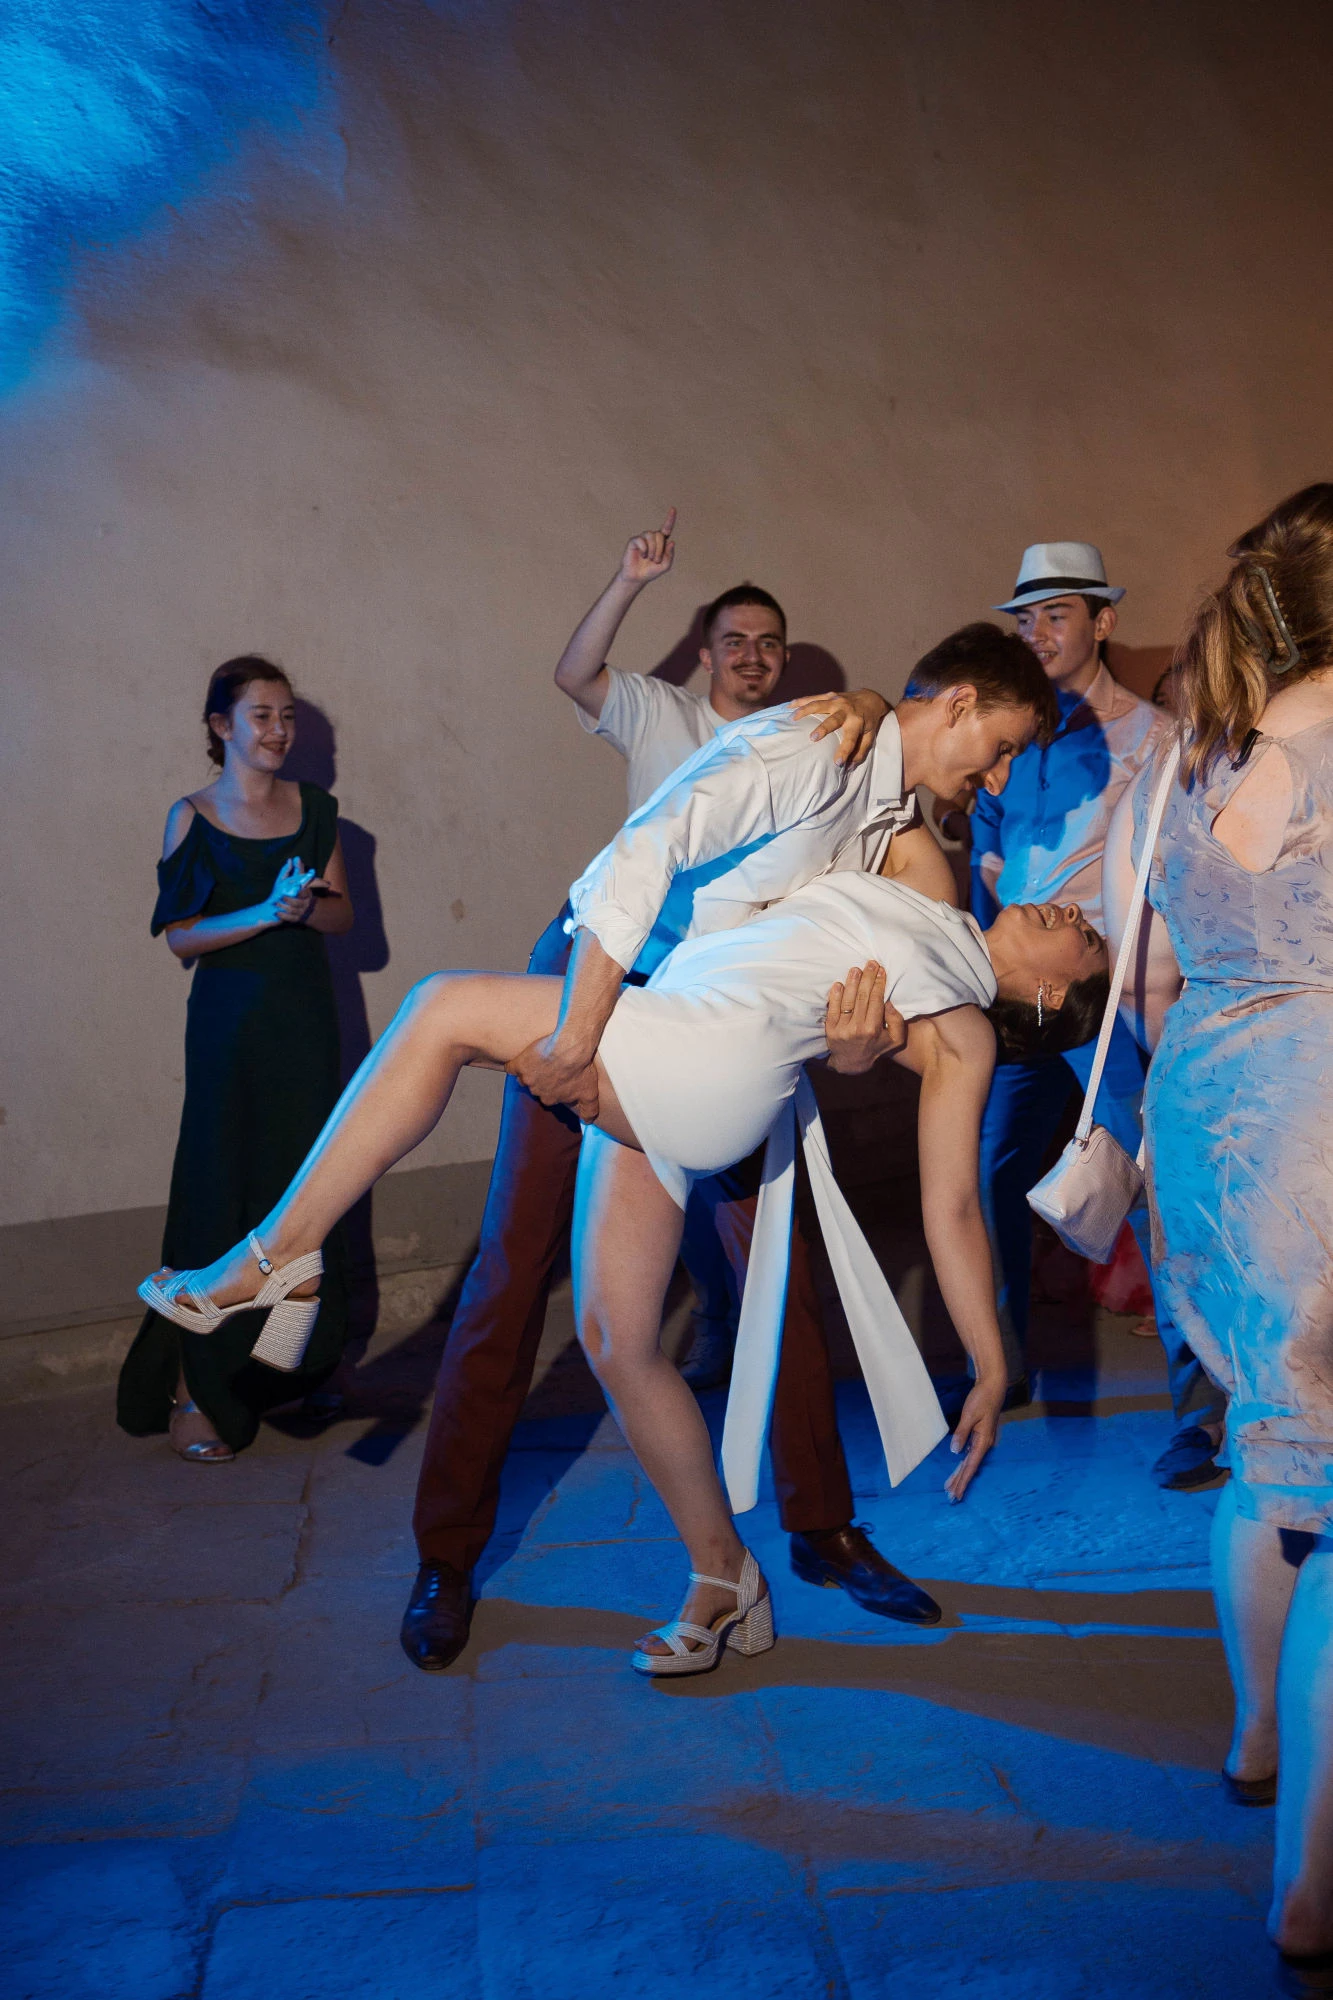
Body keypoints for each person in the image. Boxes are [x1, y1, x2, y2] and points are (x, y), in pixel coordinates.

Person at [139, 677, 1106, 1677]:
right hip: (673, 1029)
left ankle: (272, 1258)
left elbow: (948, 1202)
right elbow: (889, 770)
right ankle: (723, 1575)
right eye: (995, 748)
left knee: (439, 1010)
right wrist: (861, 696)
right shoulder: (926, 873)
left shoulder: (961, 1033)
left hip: (685, 1049)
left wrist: (989, 1362)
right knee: (614, 1334)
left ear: (1046, 992)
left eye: (1080, 935)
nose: (1069, 906)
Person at [402, 513, 923, 1675]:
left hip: (711, 1023)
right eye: (732, 638)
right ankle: (447, 1552)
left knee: (770, 1265)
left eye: (768, 642)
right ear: (702, 653)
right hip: (596, 984)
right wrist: (628, 579)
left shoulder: (823, 746)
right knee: (513, 1263)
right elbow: (572, 671)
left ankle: (823, 1526)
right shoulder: (666, 715)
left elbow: (885, 774)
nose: (750, 655)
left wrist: (879, 701)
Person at [1105, 485, 1333, 1997]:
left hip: (1207, 1131)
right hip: (1323, 1127)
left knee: (1272, 1445)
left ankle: (1255, 1734)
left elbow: (1148, 987)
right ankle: (1310, 1887)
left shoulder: (1192, 757)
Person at [969, 541, 1227, 1487]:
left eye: (1056, 614)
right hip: (1011, 999)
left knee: (1145, 1187)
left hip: (1107, 999)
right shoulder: (1012, 734)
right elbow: (987, 859)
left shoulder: (1153, 737)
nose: (1036, 633)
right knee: (986, 1165)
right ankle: (997, 1362)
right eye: (1024, 618)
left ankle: (1197, 1416)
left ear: (1101, 624)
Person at [118, 657, 354, 1461]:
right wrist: (263, 910)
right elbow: (182, 938)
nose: (278, 731)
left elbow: (344, 918)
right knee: (218, 1191)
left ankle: (295, 1371)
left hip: (305, 1021)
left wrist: (305, 907)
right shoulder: (190, 815)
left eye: (287, 715)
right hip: (228, 1023)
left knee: (307, 1188)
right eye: (261, 716)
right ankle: (194, 1388)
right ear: (221, 727)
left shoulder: (316, 809)